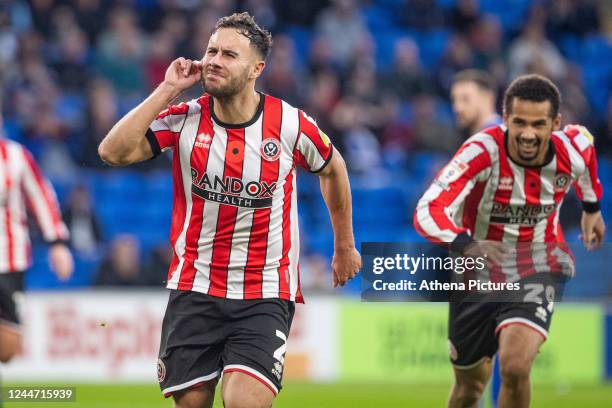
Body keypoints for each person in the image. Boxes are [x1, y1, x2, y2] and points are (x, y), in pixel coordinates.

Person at [98, 12, 360, 408]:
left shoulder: (290, 124)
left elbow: (333, 168)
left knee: (243, 402)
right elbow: (111, 152)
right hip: (195, 285)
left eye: (229, 55)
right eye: (211, 51)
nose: (215, 60)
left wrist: (344, 245)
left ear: (257, 68)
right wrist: (168, 89)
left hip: (264, 289)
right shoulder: (186, 118)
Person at [414, 74, 605, 408]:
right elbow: (428, 209)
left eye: (538, 124)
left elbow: (587, 156)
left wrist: (592, 208)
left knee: (515, 367)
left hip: (539, 261)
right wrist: (465, 242)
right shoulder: (481, 150)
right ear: (505, 120)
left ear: (555, 123)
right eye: (519, 123)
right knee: (469, 388)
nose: (528, 134)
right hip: (478, 268)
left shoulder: (572, 148)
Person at [0, 131, 74, 365]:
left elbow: (42, 197)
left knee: (8, 349)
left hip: (9, 260)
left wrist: (57, 243)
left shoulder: (16, 156)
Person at [451, 69, 501, 137]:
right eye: (454, 100)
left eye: (465, 99)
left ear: (487, 98)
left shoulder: (500, 139)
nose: (457, 107)